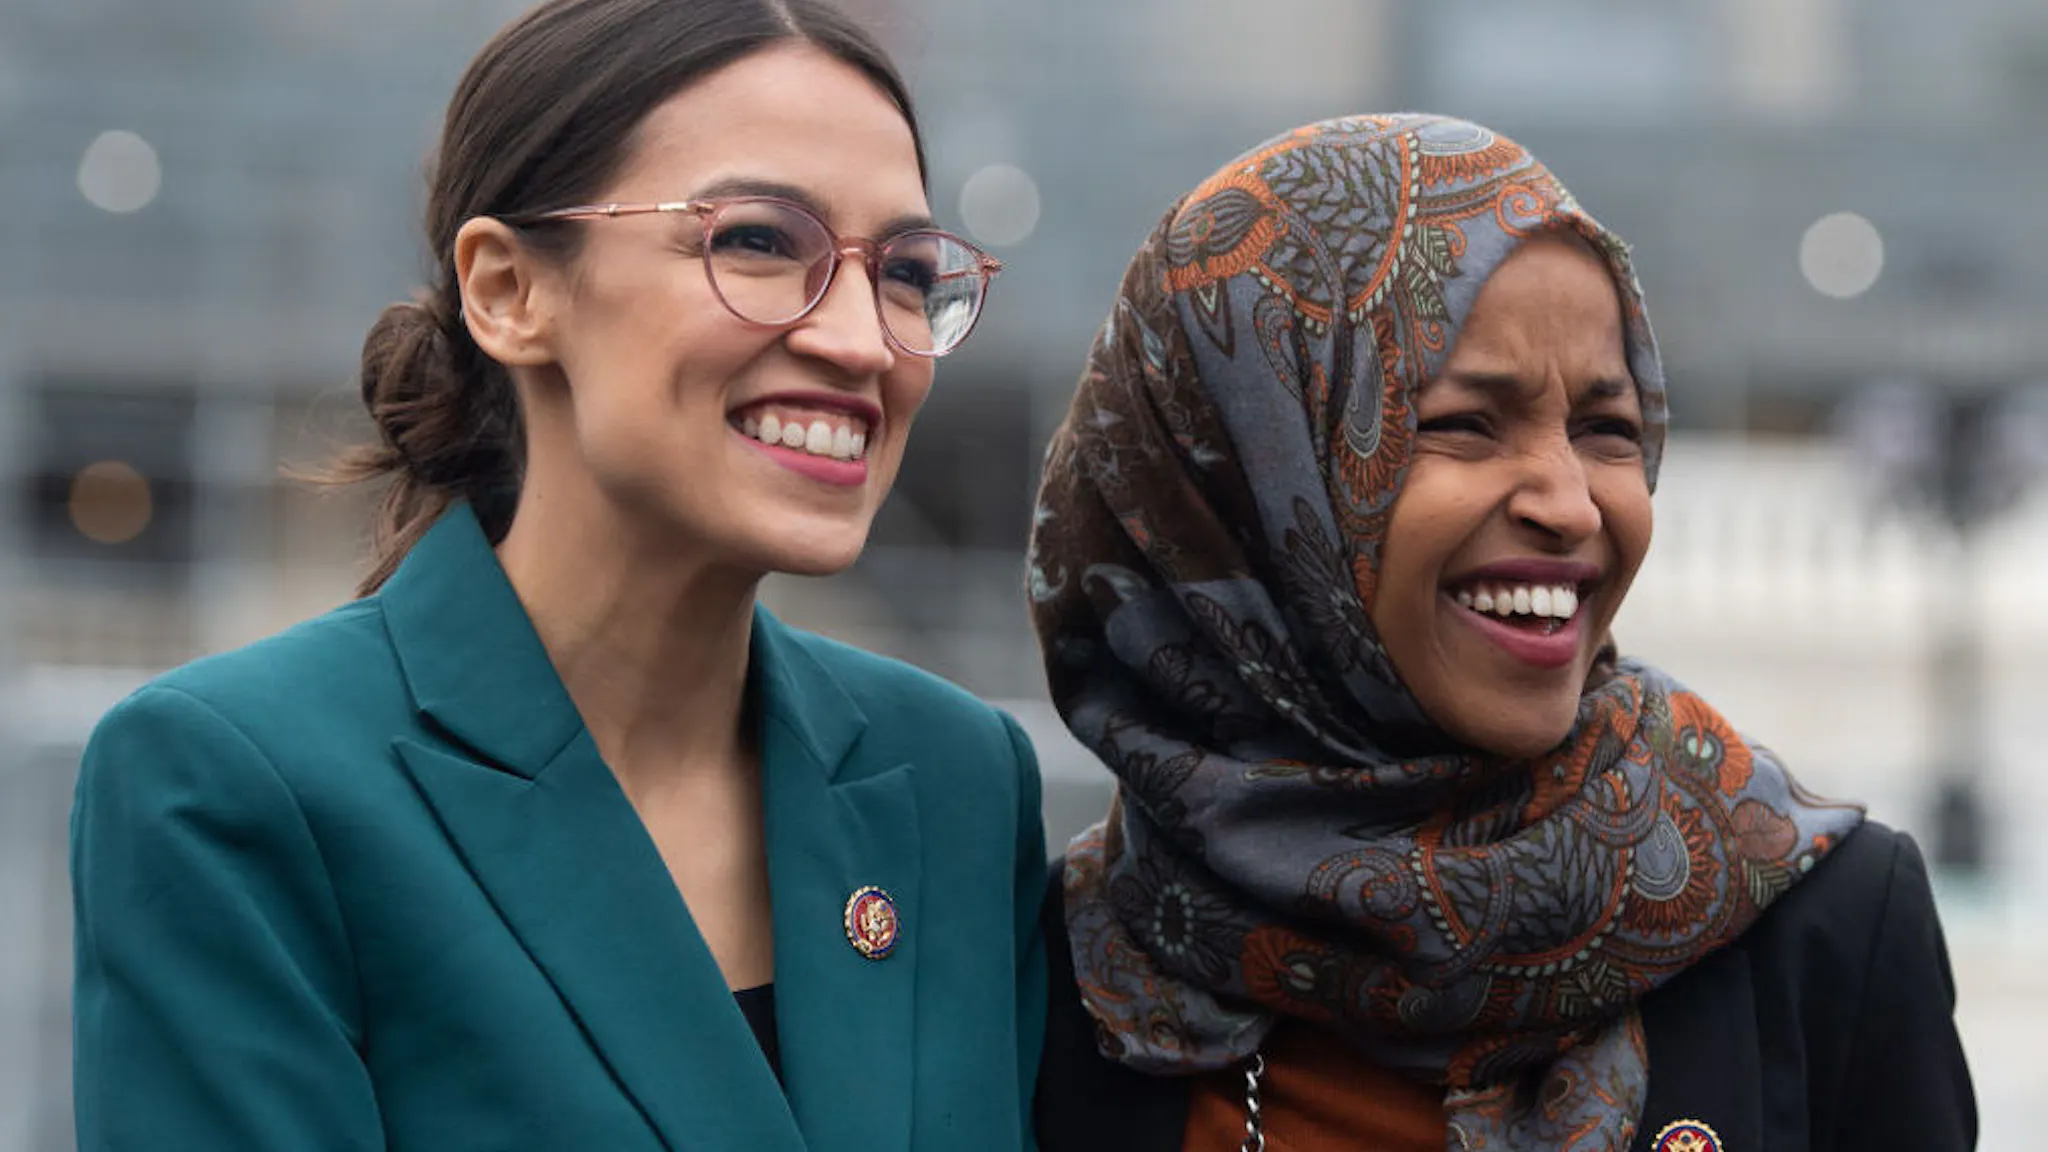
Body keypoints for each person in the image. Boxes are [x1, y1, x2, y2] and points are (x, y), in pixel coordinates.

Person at [69, 1, 1046, 1149]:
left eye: (902, 270)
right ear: (507, 291)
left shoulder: (956, 781)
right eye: (758, 242)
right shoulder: (236, 785)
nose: (860, 341)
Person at [1027, 114, 1973, 1151]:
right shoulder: (1052, 971)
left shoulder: (1821, 930)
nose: (1569, 504)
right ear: (1237, 482)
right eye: (1464, 424)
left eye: (1605, 430)